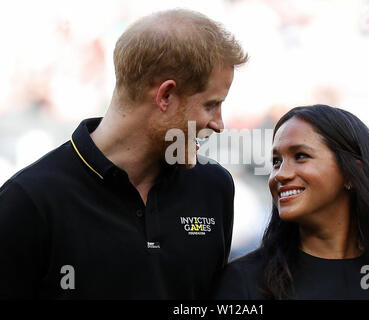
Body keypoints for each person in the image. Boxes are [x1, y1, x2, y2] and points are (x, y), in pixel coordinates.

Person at [0, 9, 248, 299]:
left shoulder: (214, 187)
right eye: (211, 105)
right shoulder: (28, 202)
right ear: (165, 96)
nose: (218, 124)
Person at [214, 104, 369, 300]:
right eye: (276, 161)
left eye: (301, 156)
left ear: (351, 172)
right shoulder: (246, 281)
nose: (280, 174)